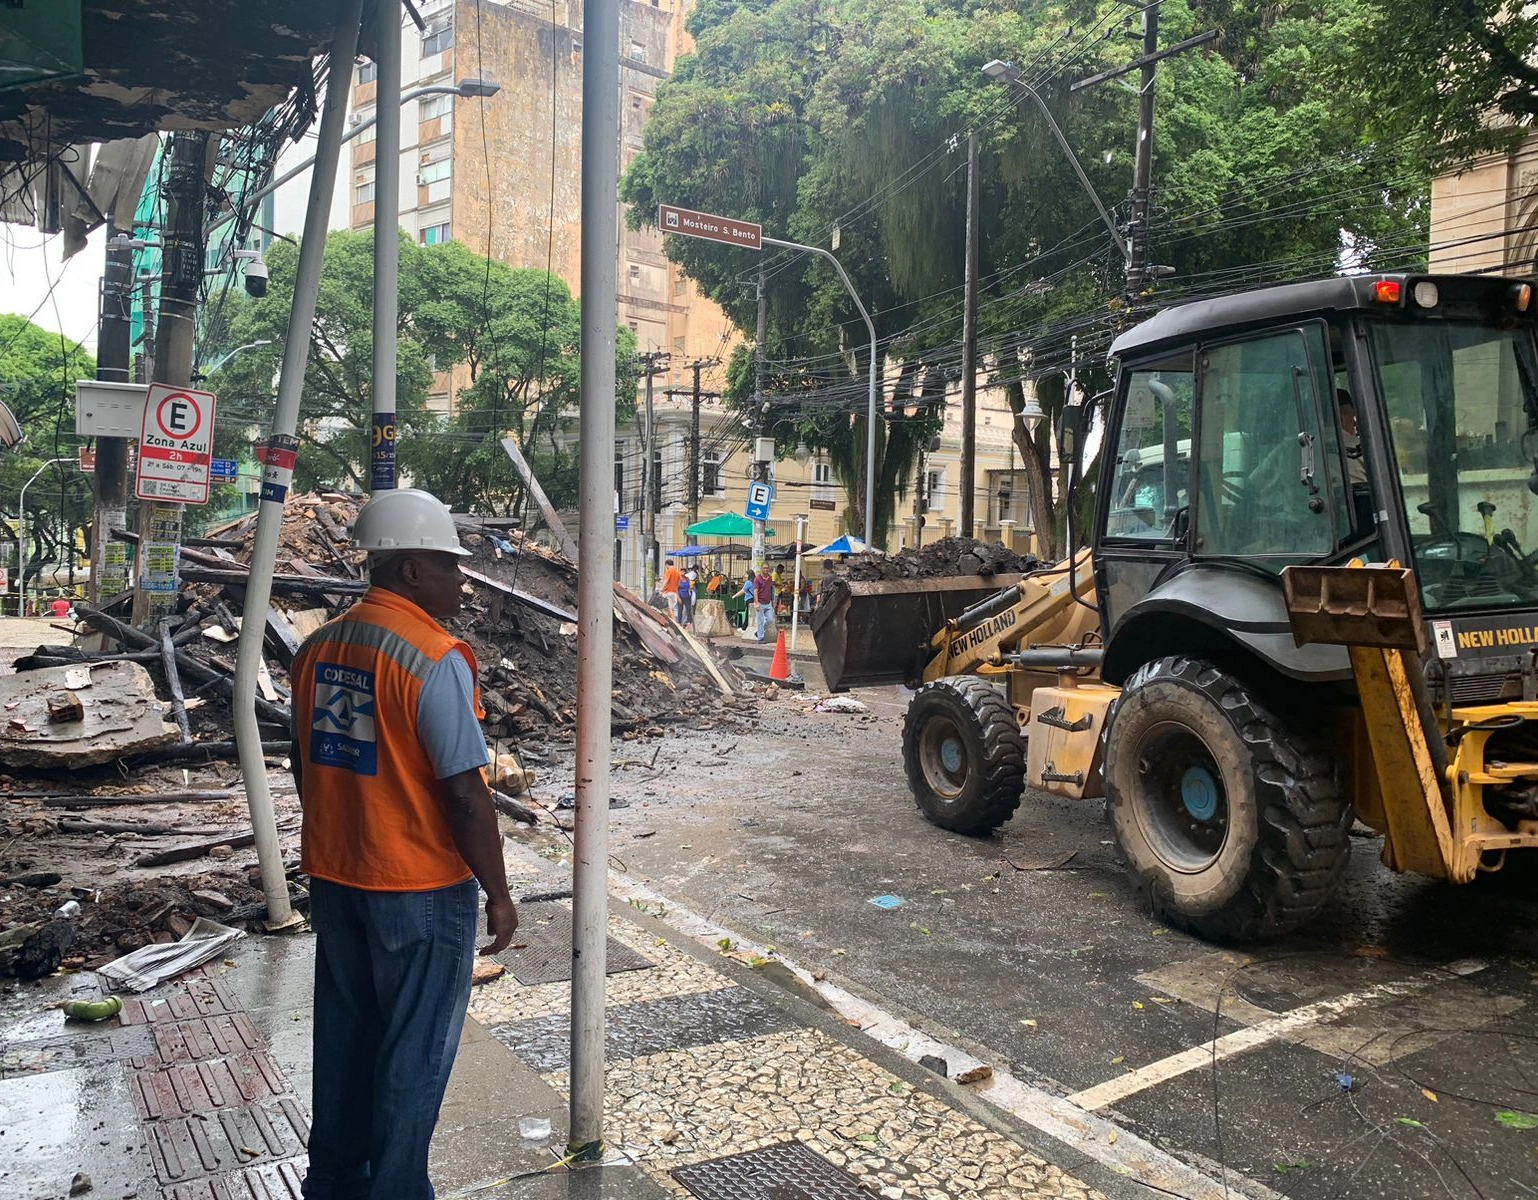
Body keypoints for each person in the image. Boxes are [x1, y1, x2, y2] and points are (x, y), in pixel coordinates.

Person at [290, 487, 517, 1200]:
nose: (462, 580)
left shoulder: (318, 648)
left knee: (348, 1042)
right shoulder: (432, 655)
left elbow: (307, 762)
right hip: (417, 887)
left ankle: (332, 1184)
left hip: (337, 877)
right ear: (412, 570)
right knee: (413, 1055)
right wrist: (500, 893)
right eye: (451, 566)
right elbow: (463, 791)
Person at [753, 564, 775, 642]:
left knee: (770, 619)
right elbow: (755, 591)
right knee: (760, 621)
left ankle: (759, 632)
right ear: (761, 569)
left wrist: (773, 601)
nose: (766, 569)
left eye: (767, 568)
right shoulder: (757, 579)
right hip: (760, 602)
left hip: (768, 603)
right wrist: (756, 603)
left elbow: (771, 590)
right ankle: (760, 638)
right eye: (764, 568)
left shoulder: (770, 578)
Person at [660, 557, 682, 621]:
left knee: (668, 608)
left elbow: (666, 581)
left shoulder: (669, 571)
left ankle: (675, 623)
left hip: (668, 592)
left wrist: (661, 589)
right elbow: (678, 584)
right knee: (671, 608)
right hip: (674, 593)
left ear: (667, 564)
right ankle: (670, 622)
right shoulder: (677, 572)